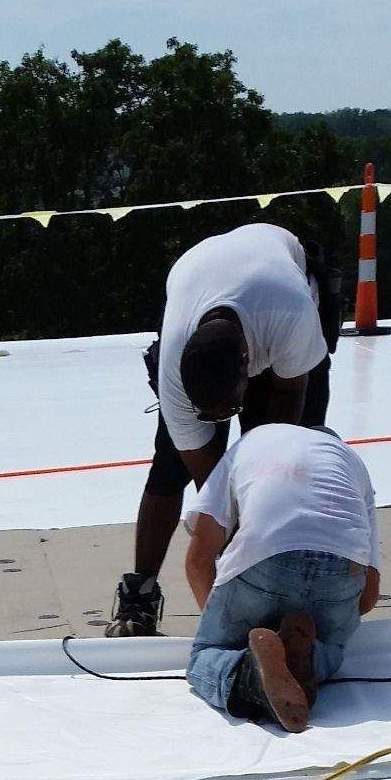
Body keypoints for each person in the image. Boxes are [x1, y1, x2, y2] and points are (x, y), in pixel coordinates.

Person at [110, 220, 337, 635]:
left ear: (249, 366)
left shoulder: (289, 315)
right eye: (208, 415)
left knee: (295, 463)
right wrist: (232, 553)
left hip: (283, 294)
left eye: (227, 411)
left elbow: (281, 426)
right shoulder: (176, 372)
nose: (220, 424)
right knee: (169, 465)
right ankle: (139, 596)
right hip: (204, 284)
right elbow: (213, 488)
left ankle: (305, 582)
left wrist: (262, 492)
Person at [180, 422, 381, 733]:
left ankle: (245, 670)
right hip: (342, 568)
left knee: (205, 657)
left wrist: (225, 632)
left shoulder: (252, 441)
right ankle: (310, 656)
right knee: (333, 651)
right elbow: (368, 598)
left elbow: (197, 560)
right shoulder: (353, 465)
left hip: (268, 557)